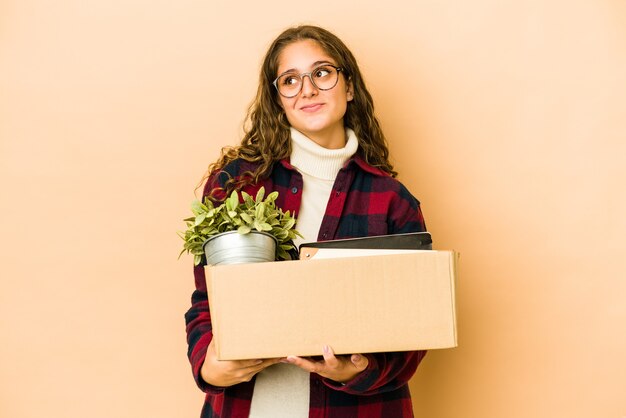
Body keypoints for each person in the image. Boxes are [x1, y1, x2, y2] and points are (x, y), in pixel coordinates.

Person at [185, 25, 428, 418]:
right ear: (277, 98)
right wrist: (211, 367)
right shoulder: (237, 183)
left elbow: (416, 326)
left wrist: (360, 369)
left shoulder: (392, 201)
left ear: (348, 86)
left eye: (322, 73)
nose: (307, 90)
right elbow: (206, 301)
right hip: (251, 407)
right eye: (290, 80)